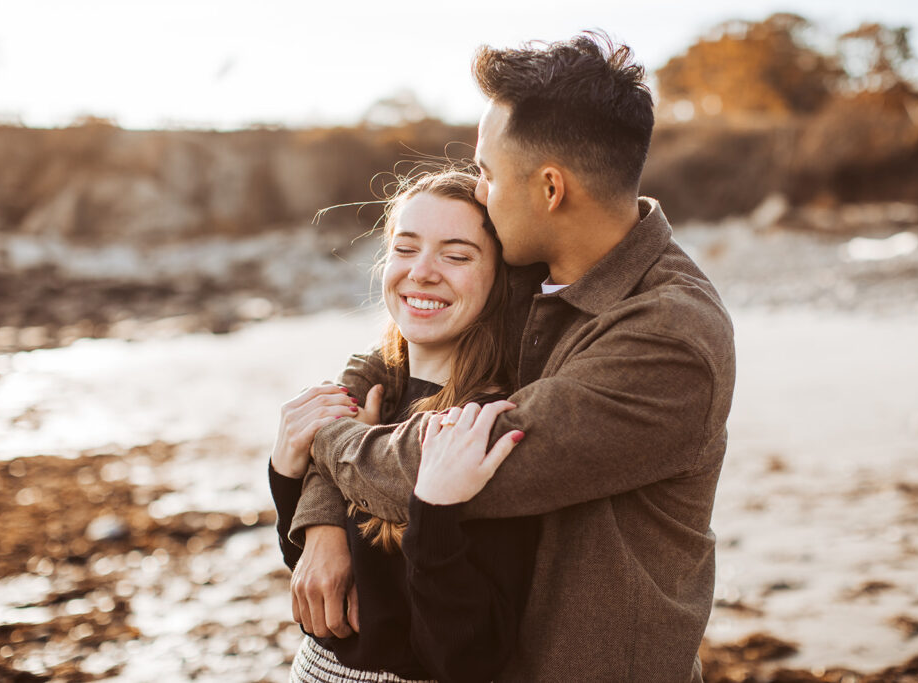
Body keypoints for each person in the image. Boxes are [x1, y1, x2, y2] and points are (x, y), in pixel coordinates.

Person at [293, 32, 736, 682]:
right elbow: (387, 363)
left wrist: (326, 436)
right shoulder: (531, 272)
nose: (479, 188)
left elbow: (447, 459)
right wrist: (322, 518)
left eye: (489, 172)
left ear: (550, 189)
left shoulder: (669, 337)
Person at [269, 170, 539, 682]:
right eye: (405, 248)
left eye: (456, 255)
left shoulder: (480, 424)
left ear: (500, 278)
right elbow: (321, 594)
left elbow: (468, 656)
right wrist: (293, 484)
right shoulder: (377, 391)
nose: (422, 272)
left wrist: (432, 517)